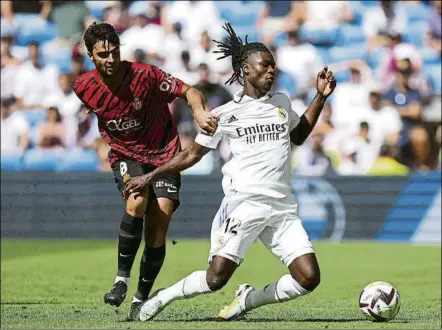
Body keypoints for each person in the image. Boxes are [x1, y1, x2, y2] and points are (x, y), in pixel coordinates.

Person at [123, 23, 336, 322]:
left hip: (281, 207)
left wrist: (321, 97)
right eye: (265, 66)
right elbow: (191, 154)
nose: (272, 71)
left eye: (273, 66)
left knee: (308, 278)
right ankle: (163, 297)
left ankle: (248, 300)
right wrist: (150, 176)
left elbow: (298, 135)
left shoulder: (281, 103)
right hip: (244, 205)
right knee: (215, 280)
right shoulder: (224, 115)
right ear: (246, 70)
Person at [71, 22, 217, 320]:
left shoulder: (145, 75)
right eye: (103, 55)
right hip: (125, 154)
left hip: (164, 153)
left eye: (114, 52)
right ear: (90, 56)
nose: (110, 59)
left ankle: (141, 298)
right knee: (136, 200)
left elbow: (188, 90)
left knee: (160, 216)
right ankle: (121, 280)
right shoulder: (82, 87)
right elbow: (99, 105)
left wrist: (199, 111)